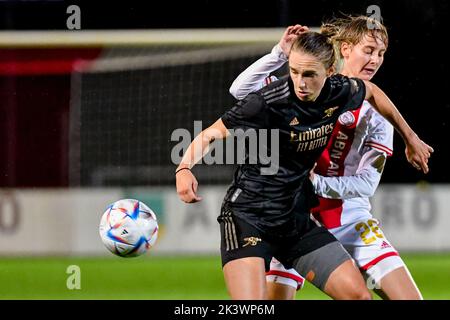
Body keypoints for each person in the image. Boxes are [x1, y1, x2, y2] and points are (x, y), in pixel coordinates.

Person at [176, 31, 432, 300]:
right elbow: (210, 133)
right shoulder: (268, 100)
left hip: (295, 220)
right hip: (249, 216)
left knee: (360, 296)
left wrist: (410, 137)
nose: (299, 83)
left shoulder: (338, 92)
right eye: (294, 71)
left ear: (329, 72)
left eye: (309, 74)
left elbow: (371, 91)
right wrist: (183, 168)